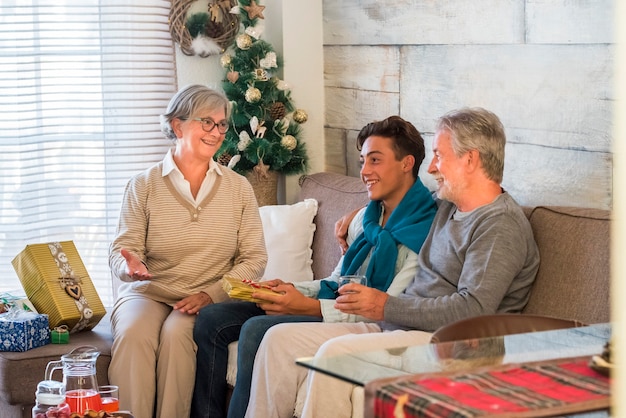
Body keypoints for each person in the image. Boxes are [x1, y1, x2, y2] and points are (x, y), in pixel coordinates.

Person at [245, 107, 541, 418]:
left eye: (440, 155)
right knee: (277, 340)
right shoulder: (448, 207)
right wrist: (360, 215)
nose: (432, 168)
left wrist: (385, 306)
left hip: (451, 345)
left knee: (334, 357)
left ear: (470, 159)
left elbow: (474, 309)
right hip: (402, 328)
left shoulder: (499, 224)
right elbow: (403, 201)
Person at [191, 116, 439, 418]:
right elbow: (337, 280)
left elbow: (390, 309)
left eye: (375, 160)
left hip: (370, 321)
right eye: (362, 161)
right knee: (212, 318)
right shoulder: (368, 216)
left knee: (258, 329)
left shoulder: (426, 229)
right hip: (335, 302)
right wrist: (289, 289)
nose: (364, 172)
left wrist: (308, 307)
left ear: (406, 163)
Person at [107, 84, 267, 418]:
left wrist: (212, 293)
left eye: (222, 124)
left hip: (203, 296)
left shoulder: (238, 188)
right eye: (206, 122)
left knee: (178, 337)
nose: (217, 131)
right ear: (178, 126)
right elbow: (123, 249)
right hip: (149, 292)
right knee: (134, 335)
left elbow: (254, 258)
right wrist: (129, 266)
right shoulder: (143, 184)